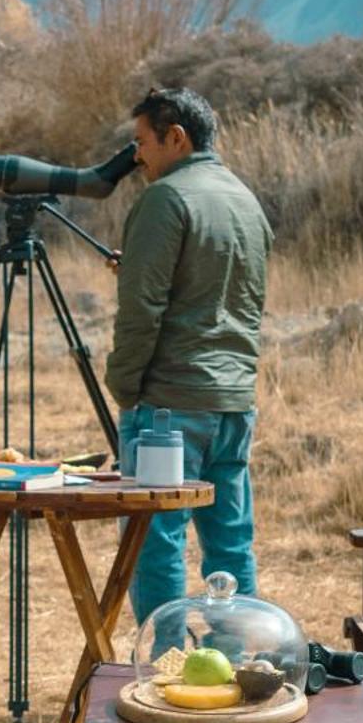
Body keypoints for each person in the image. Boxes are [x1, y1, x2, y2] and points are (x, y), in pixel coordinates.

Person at [106, 86, 272, 624]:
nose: (138, 157)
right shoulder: (244, 199)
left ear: (176, 137)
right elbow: (224, 293)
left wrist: (125, 387)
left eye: (143, 143)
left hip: (168, 408)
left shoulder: (166, 198)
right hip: (233, 403)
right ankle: (239, 662)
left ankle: (165, 669)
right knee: (230, 549)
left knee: (156, 548)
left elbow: (142, 307)